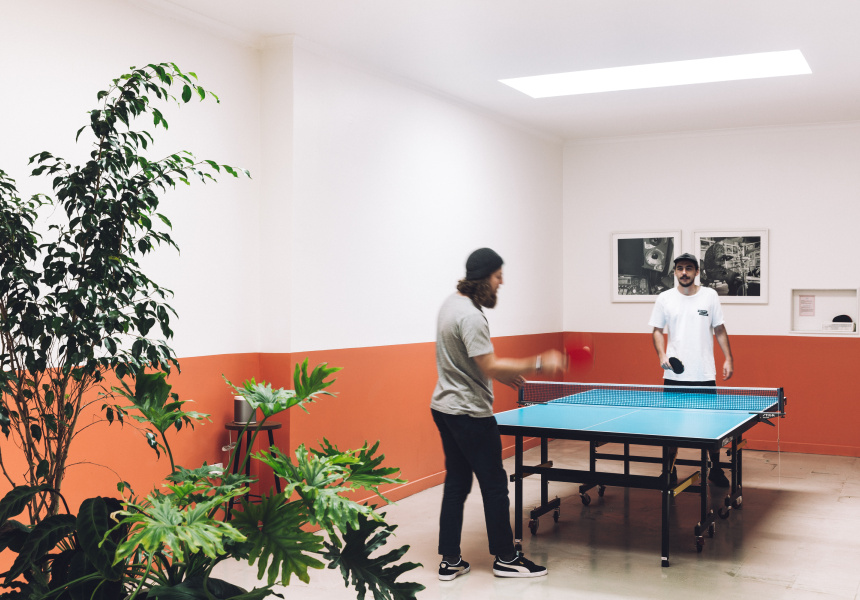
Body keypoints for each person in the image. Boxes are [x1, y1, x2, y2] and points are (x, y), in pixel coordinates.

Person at [430, 248, 566, 581]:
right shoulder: (472, 316)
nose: (501, 282)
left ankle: (450, 560)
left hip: (444, 407)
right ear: (482, 278)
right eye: (497, 276)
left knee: (457, 484)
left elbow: (471, 361)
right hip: (470, 413)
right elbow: (488, 364)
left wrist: (499, 375)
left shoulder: (451, 304)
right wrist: (539, 362)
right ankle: (506, 558)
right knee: (494, 485)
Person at [648, 252, 734, 488]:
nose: (684, 272)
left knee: (710, 426)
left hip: (703, 372)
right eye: (680, 268)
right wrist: (662, 354)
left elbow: (719, 329)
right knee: (671, 427)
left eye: (688, 268)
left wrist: (728, 358)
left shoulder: (710, 295)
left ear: (697, 271)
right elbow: (657, 330)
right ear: (674, 272)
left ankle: (715, 469)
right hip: (674, 374)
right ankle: (669, 470)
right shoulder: (665, 298)